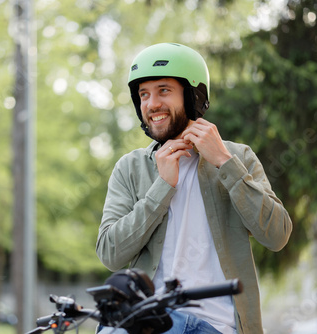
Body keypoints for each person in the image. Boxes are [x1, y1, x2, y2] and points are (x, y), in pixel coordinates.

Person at [96, 43, 293, 334]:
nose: (151, 104)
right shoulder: (130, 167)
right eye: (143, 95)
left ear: (193, 97)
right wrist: (162, 187)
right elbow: (109, 254)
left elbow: (277, 235)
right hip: (151, 322)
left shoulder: (238, 157)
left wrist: (225, 163)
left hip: (218, 325)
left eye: (164, 90)